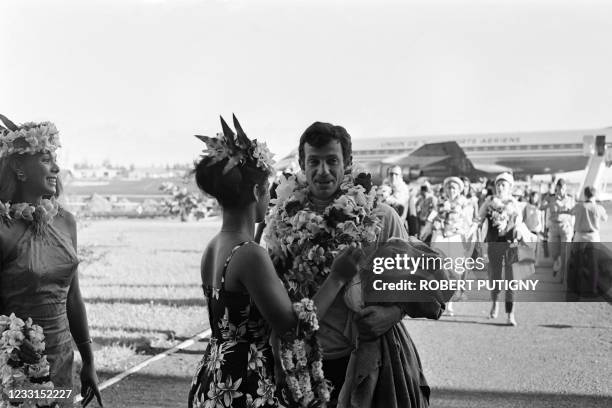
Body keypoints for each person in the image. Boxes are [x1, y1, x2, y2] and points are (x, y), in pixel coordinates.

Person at [187, 116, 362, 408]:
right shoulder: (250, 253)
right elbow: (291, 327)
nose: (269, 196)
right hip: (245, 382)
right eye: (266, 188)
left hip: (215, 374)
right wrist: (337, 277)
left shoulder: (214, 246)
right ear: (256, 192)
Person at [265, 121, 435, 407]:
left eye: (332, 161)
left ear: (347, 163)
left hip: (369, 359)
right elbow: (275, 296)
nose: (323, 171)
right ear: (302, 165)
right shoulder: (281, 221)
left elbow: (414, 282)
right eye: (314, 162)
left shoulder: (382, 217)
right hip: (304, 361)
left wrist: (392, 314)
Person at [0, 114, 102, 407]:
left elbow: (74, 298)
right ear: (19, 167)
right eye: (46, 159)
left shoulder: (66, 222)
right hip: (15, 364)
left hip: (61, 359)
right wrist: (10, 339)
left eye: (54, 158)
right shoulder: (2, 229)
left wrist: (89, 361)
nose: (56, 167)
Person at [478, 172, 523, 326]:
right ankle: (494, 302)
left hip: (511, 243)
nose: (500, 187)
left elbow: (519, 222)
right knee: (494, 276)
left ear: (510, 187)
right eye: (498, 184)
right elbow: (479, 218)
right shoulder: (489, 202)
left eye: (503, 185)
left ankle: (510, 313)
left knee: (511, 280)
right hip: (494, 243)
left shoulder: (515, 203)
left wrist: (512, 224)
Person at [428, 177, 476, 316]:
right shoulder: (441, 202)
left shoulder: (465, 204)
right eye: (449, 188)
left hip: (455, 237)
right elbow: (432, 217)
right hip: (441, 236)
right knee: (439, 269)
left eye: (454, 188)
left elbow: (469, 222)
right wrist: (434, 224)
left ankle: (450, 303)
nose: (451, 190)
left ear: (459, 190)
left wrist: (464, 232)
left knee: (454, 270)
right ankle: (440, 300)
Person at [541, 178, 575, 276]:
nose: (561, 190)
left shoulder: (570, 199)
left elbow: (574, 212)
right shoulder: (551, 197)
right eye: (559, 188)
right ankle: (557, 263)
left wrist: (566, 210)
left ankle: (564, 276)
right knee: (554, 252)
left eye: (563, 188)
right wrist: (550, 204)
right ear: (557, 188)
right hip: (554, 226)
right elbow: (540, 207)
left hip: (566, 226)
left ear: (565, 188)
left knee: (566, 252)